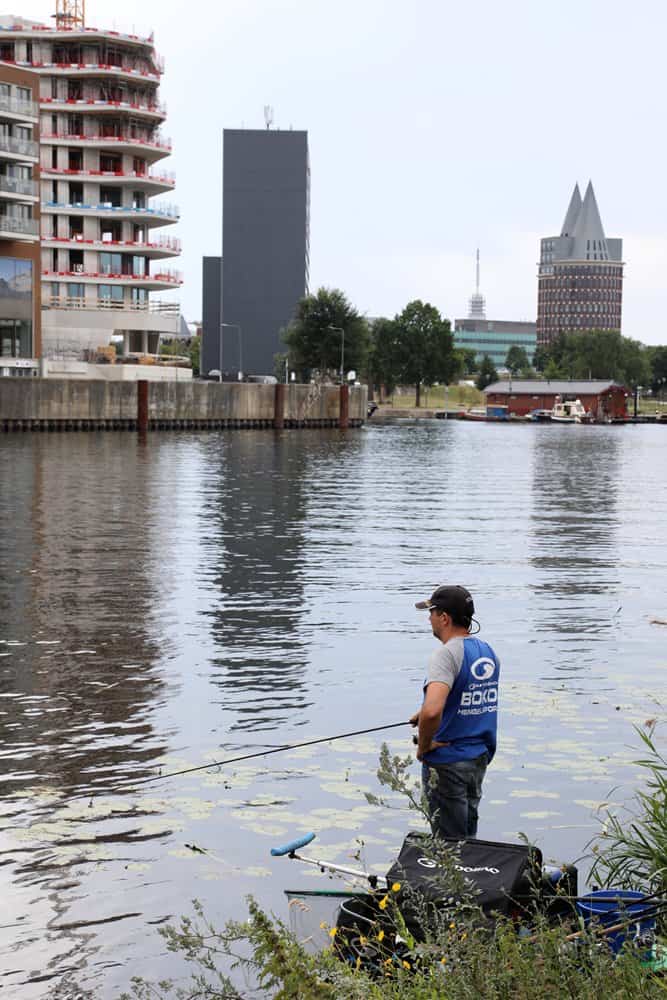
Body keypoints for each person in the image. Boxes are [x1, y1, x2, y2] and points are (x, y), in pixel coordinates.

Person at [410, 585, 500, 840]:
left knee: (449, 848)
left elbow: (432, 712)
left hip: (448, 763)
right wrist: (424, 709)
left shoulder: (446, 654)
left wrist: (424, 746)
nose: (429, 619)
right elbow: (467, 696)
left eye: (431, 613)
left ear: (444, 617)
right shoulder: (487, 652)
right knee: (468, 841)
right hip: (477, 760)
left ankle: (451, 881)